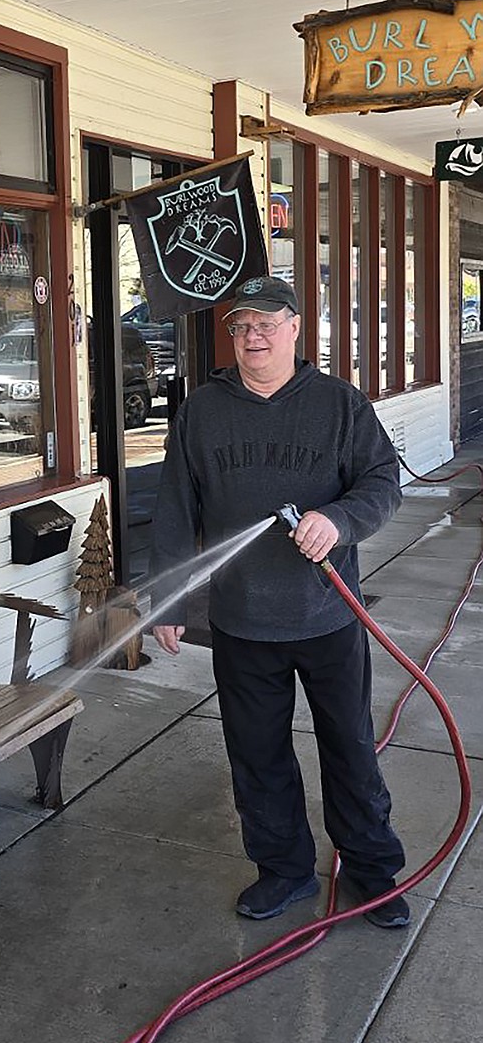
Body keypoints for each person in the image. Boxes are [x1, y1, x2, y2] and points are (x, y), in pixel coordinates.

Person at [150, 275, 409, 928]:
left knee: (349, 746)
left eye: (266, 323)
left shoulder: (339, 405)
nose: (253, 336)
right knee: (256, 754)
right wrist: (168, 601)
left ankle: (372, 869)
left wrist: (341, 519)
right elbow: (178, 510)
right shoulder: (201, 412)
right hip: (241, 622)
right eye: (241, 326)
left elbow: (383, 480)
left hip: (327, 617)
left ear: (296, 327)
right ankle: (284, 869)